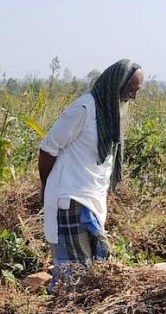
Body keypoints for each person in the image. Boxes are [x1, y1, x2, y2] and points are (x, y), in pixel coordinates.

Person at [38, 59, 144, 288]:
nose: (132, 97)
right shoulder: (84, 109)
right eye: (129, 91)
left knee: (92, 270)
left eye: (136, 92)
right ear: (116, 84)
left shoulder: (110, 114)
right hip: (70, 199)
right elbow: (48, 148)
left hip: (92, 201)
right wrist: (47, 187)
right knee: (74, 278)